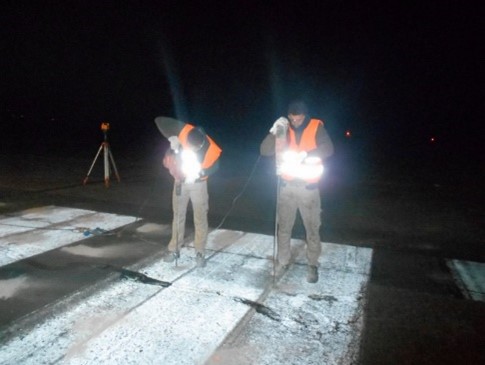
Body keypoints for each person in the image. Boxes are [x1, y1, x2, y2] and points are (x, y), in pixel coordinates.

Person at [260, 100, 334, 283]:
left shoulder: (316, 127)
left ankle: (312, 264)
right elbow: (264, 151)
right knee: (284, 227)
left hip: (308, 189)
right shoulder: (283, 127)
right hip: (286, 188)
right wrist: (273, 132)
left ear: (305, 116)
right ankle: (283, 261)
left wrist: (307, 154)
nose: (295, 122)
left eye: (299, 119)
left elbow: (329, 149)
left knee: (312, 229)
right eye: (292, 118)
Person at [154, 116, 222, 267]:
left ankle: (200, 252)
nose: (190, 149)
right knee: (178, 216)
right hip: (180, 182)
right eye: (188, 146)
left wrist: (202, 172)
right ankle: (174, 249)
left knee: (200, 218)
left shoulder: (211, 148)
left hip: (198, 185)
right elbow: (159, 120)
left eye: (194, 148)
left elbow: (216, 166)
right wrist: (172, 138)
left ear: (201, 143)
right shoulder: (185, 133)